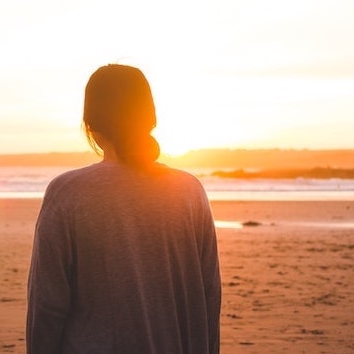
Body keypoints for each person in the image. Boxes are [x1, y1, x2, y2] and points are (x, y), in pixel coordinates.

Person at [26, 64, 221, 354]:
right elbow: (209, 299)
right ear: (150, 119)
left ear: (90, 124)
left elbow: (47, 305)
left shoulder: (68, 193)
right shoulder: (189, 191)